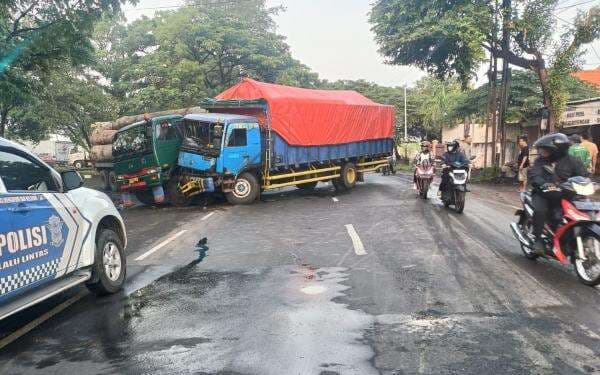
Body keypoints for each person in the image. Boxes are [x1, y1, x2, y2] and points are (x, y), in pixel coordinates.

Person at [528, 133, 588, 253]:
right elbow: (534, 175)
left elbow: (584, 176)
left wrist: (588, 183)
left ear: (556, 150)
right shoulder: (541, 161)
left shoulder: (573, 161)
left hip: (566, 195)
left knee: (583, 211)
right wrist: (542, 183)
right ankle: (538, 240)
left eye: (545, 149)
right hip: (544, 194)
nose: (542, 152)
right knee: (541, 210)